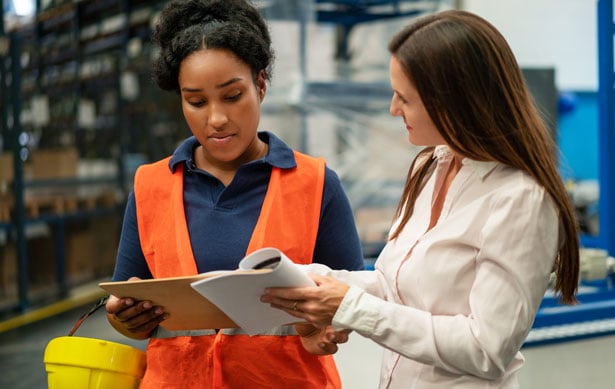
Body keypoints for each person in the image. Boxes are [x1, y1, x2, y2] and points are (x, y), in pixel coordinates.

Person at [261, 9, 581, 388]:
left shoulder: (521, 199)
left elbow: (486, 348)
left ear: (454, 102)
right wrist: (316, 282)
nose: (393, 109)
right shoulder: (430, 165)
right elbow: (397, 286)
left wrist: (352, 308)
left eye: (404, 98)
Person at [104, 0, 364, 388]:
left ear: (260, 85)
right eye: (196, 101)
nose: (216, 118)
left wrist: (327, 326)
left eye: (232, 96)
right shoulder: (150, 186)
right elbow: (126, 297)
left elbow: (353, 299)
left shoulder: (315, 183)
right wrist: (121, 317)